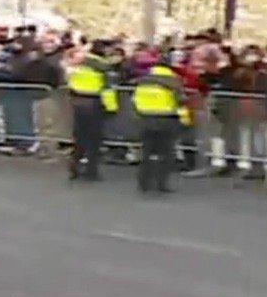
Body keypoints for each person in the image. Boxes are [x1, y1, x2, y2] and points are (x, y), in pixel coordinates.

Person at [131, 60, 188, 195]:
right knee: (166, 153)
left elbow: (134, 100)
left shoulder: (143, 80)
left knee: (147, 152)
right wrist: (184, 121)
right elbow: (181, 101)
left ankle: (143, 182)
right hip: (166, 120)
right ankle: (161, 183)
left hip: (145, 119)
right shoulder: (173, 81)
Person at [65, 42, 118, 181]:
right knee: (94, 139)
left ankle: (74, 167)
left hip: (78, 102)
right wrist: (111, 108)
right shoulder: (102, 69)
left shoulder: (77, 66)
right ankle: (91, 171)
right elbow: (107, 90)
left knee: (79, 138)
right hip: (95, 104)